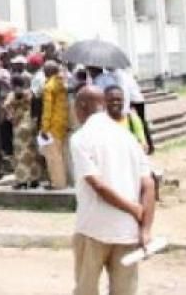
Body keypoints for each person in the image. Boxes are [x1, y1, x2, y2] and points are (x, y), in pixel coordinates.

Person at [70, 87, 155, 295]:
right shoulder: (127, 137)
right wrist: (145, 229)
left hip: (93, 228)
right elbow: (149, 185)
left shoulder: (81, 138)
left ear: (82, 106)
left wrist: (133, 208)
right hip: (127, 231)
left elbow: (97, 185)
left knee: (86, 289)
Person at [4, 76, 41, 189]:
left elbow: (6, 107)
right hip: (31, 124)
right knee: (32, 152)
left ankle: (22, 180)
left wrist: (12, 118)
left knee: (21, 154)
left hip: (19, 126)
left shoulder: (12, 95)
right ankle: (34, 179)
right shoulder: (30, 93)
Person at [40, 61, 69, 189]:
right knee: (60, 154)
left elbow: (47, 109)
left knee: (53, 156)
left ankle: (57, 183)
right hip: (63, 122)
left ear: (48, 71)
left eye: (44, 70)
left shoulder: (49, 86)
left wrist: (44, 128)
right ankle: (62, 181)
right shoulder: (62, 83)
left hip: (53, 124)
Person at [104, 87, 148, 151]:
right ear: (104, 101)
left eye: (118, 99)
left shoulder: (132, 119)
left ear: (124, 101)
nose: (115, 102)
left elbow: (143, 145)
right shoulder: (101, 123)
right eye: (111, 100)